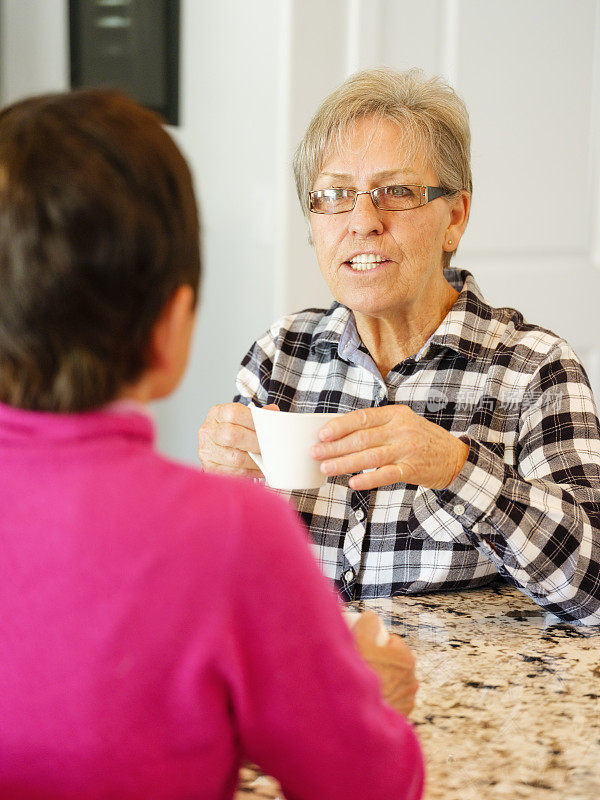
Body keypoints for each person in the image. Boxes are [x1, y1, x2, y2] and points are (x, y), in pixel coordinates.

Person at [0, 90, 424, 800]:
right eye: (334, 197)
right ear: (173, 327)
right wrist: (363, 693)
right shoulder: (232, 530)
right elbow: (367, 784)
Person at [198, 68, 600, 625]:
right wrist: (220, 490)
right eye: (335, 195)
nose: (363, 221)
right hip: (305, 688)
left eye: (398, 192)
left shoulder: (533, 370)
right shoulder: (280, 354)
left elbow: (595, 586)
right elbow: (227, 579)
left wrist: (455, 468)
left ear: (454, 217)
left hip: (463, 698)